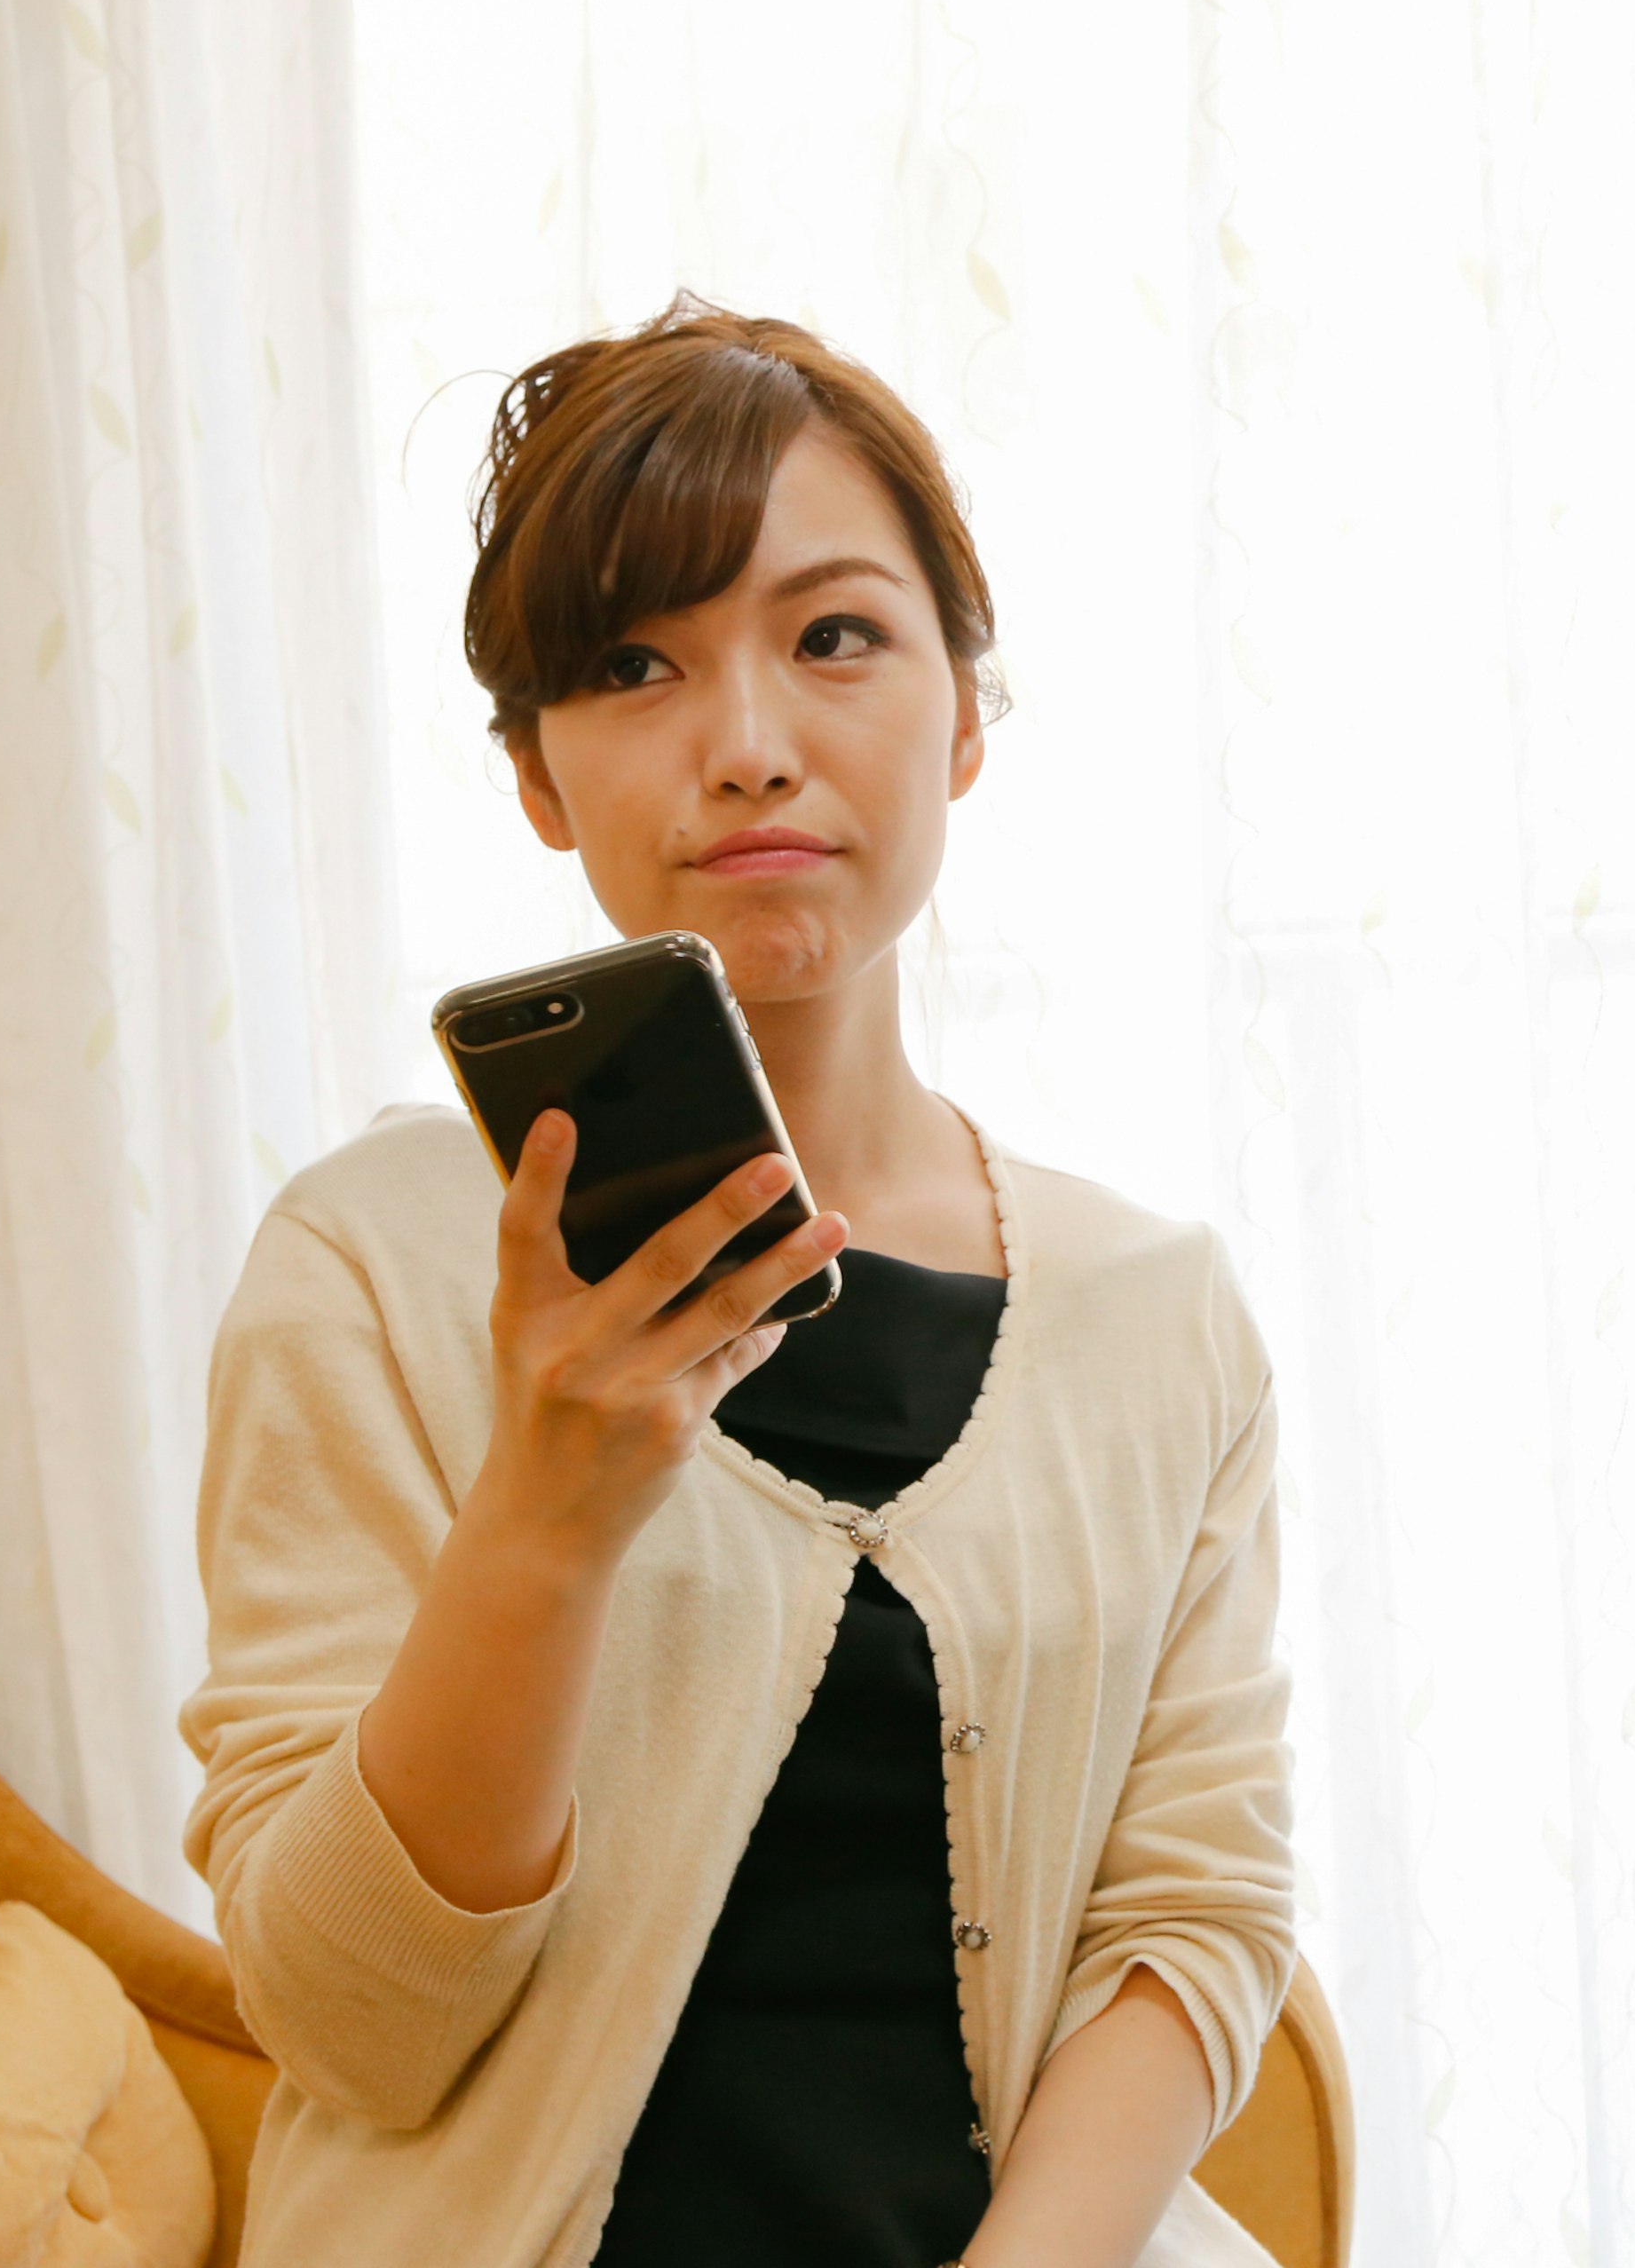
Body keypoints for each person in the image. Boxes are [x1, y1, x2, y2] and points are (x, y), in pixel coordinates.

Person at [176, 297, 1296, 2268]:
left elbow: (1195, 1913)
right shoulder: (363, 1269)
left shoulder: (1159, 1315)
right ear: (536, 772)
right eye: (634, 665)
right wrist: (545, 1516)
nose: (750, 744)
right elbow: (349, 2018)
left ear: (964, 707)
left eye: (835, 632)